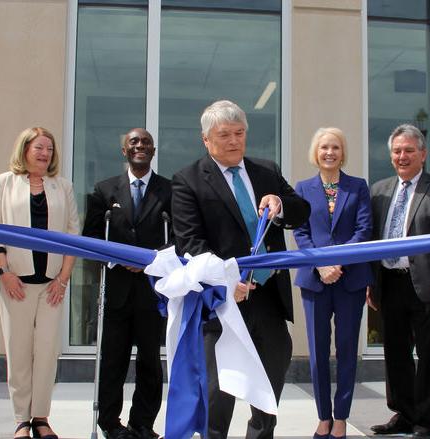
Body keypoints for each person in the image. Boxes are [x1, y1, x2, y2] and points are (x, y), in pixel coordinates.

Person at [172, 100, 310, 439]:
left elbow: (301, 211)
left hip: (268, 300)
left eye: (240, 133)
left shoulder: (266, 171)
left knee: (269, 387)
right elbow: (190, 242)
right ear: (206, 139)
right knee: (218, 394)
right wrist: (224, 282)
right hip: (222, 301)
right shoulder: (188, 180)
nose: (234, 141)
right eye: (224, 135)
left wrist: (279, 206)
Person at [0, 127, 80, 439]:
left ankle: (41, 417)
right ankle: (21, 420)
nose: (44, 153)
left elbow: (71, 235)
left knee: (46, 351)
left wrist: (64, 279)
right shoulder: (3, 183)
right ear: (24, 149)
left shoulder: (62, 186)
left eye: (49, 149)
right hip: (16, 283)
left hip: (52, 284)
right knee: (19, 351)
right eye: (38, 147)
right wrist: (4, 273)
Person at [82, 128, 170, 439]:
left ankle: (142, 423)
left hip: (151, 291)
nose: (140, 146)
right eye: (134, 142)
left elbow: (177, 240)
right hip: (116, 290)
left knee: (150, 362)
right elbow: (90, 238)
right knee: (112, 361)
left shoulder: (169, 191)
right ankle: (110, 423)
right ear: (124, 150)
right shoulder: (104, 190)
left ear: (154, 150)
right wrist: (118, 259)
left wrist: (150, 261)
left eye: (146, 142)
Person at [366, 124, 430, 439]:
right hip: (388, 283)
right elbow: (372, 239)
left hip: (427, 287)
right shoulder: (380, 190)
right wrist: (370, 282)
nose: (402, 156)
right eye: (397, 151)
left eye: (409, 151)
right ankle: (404, 413)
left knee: (429, 354)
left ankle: (424, 420)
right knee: (395, 353)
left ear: (423, 154)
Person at [292, 127, 372, 439]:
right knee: (318, 352)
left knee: (348, 350)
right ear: (316, 152)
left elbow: (363, 229)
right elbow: (300, 233)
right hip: (314, 281)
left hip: (350, 279)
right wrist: (321, 264)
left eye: (336, 147)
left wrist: (337, 262)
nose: (330, 152)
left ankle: (341, 417)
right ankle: (323, 416)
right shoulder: (302, 188)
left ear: (343, 152)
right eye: (324, 147)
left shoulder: (357, 187)